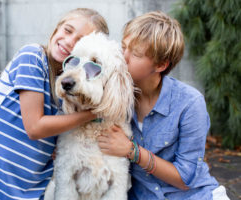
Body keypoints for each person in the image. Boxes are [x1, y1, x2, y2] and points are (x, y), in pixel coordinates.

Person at [0, 8, 109, 200]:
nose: (69, 41)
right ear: (56, 30)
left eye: (80, 41)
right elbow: (35, 127)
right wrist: (94, 114)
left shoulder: (69, 86)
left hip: (32, 182)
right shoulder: (32, 57)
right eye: (67, 30)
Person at [97, 11, 230, 200]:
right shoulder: (112, 95)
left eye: (135, 53)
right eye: (123, 47)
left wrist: (132, 151)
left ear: (160, 65)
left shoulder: (190, 103)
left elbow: (185, 179)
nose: (122, 57)